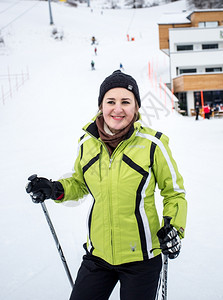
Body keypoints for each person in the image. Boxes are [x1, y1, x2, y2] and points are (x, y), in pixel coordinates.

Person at [26, 70, 187, 300]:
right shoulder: (87, 142)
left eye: (126, 102)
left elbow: (175, 194)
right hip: (98, 256)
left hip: (142, 258)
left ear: (136, 108)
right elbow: (80, 184)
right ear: (101, 106)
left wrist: (174, 227)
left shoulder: (154, 144)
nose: (118, 109)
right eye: (110, 101)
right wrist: (54, 189)